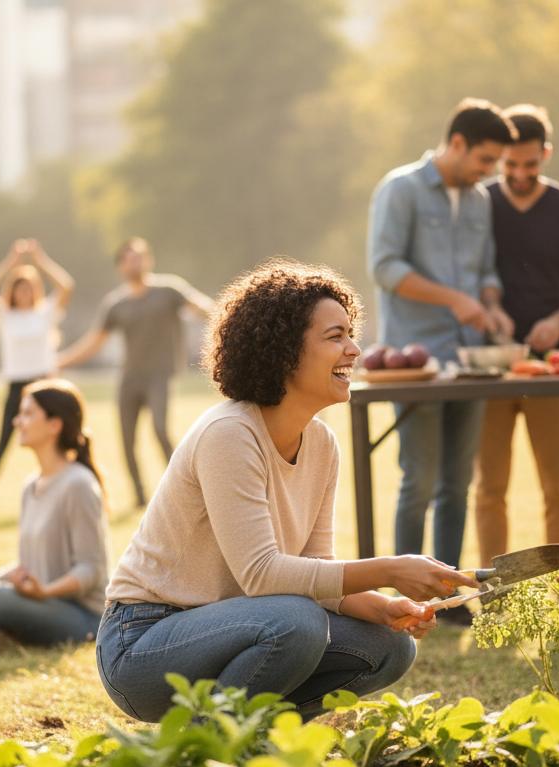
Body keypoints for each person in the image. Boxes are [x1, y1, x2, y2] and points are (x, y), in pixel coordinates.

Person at [96, 261, 477, 722]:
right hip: (143, 643)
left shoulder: (322, 445)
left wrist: (382, 604)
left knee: (390, 647)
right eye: (335, 337)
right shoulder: (229, 434)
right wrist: (390, 568)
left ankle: (263, 733)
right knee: (297, 623)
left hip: (241, 626)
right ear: (284, 351)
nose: (354, 349)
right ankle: (210, 739)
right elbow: (262, 575)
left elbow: (312, 572)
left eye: (351, 334)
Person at [367, 98, 516, 609]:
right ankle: (404, 595)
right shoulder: (400, 190)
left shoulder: (479, 201)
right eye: (485, 159)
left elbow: (487, 273)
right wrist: (456, 300)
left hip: (471, 359)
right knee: (420, 481)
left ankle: (448, 599)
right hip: (417, 363)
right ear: (457, 144)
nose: (490, 172)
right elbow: (385, 267)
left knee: (458, 483)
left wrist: (490, 306)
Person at [474, 104, 559, 562]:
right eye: (510, 164)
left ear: (546, 154)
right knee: (489, 489)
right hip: (490, 364)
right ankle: (495, 598)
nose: (520, 174)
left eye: (529, 164)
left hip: (552, 367)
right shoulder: (479, 202)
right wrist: (489, 309)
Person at [0, 378, 109, 650]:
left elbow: (92, 570)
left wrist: (44, 592)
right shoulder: (30, 486)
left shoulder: (79, 484)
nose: (17, 421)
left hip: (81, 614)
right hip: (32, 600)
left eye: (28, 414)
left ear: (55, 425)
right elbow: (29, 564)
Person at [58, 237, 212, 509]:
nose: (136, 262)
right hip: (130, 378)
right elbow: (94, 341)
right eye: (130, 258)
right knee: (127, 441)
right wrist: (61, 361)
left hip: (159, 375)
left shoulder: (168, 291)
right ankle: (140, 498)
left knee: (161, 430)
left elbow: (202, 307)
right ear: (121, 266)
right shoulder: (116, 304)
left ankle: (184, 490)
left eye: (140, 256)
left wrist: (233, 316)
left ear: (148, 260)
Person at [0, 238, 74, 516]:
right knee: (3, 442)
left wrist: (40, 261)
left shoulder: (45, 313)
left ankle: (61, 495)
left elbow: (66, 285)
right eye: (19, 288)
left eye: (29, 288)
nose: (24, 293)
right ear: (13, 292)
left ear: (35, 291)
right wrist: (11, 263)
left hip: (45, 385)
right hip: (17, 386)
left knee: (56, 442)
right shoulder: (5, 316)